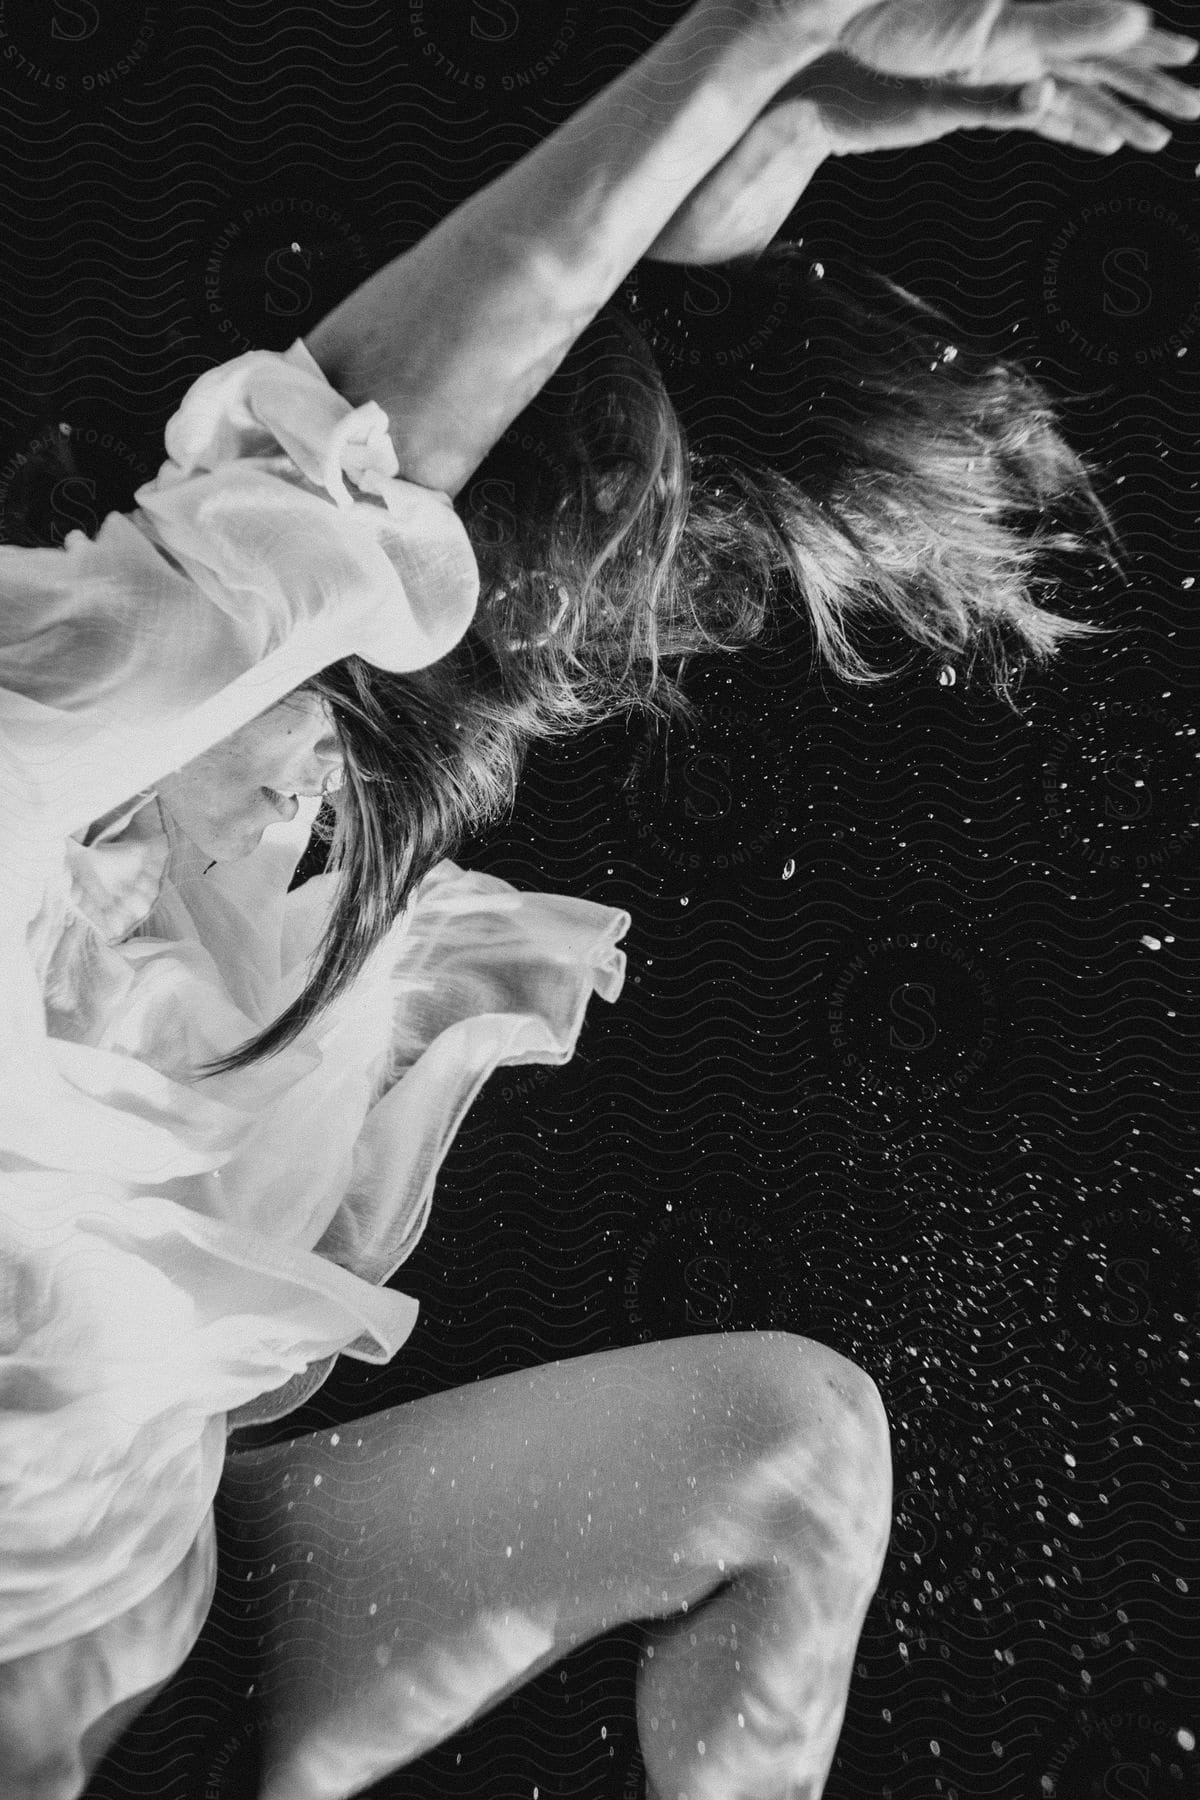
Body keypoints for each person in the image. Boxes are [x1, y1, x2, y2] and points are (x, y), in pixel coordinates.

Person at [1, 1, 1195, 1796]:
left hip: (186, 1627)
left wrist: (755, 81)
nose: (288, 808)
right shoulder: (51, 747)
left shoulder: (239, 781)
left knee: (795, 1447)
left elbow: (360, 442)